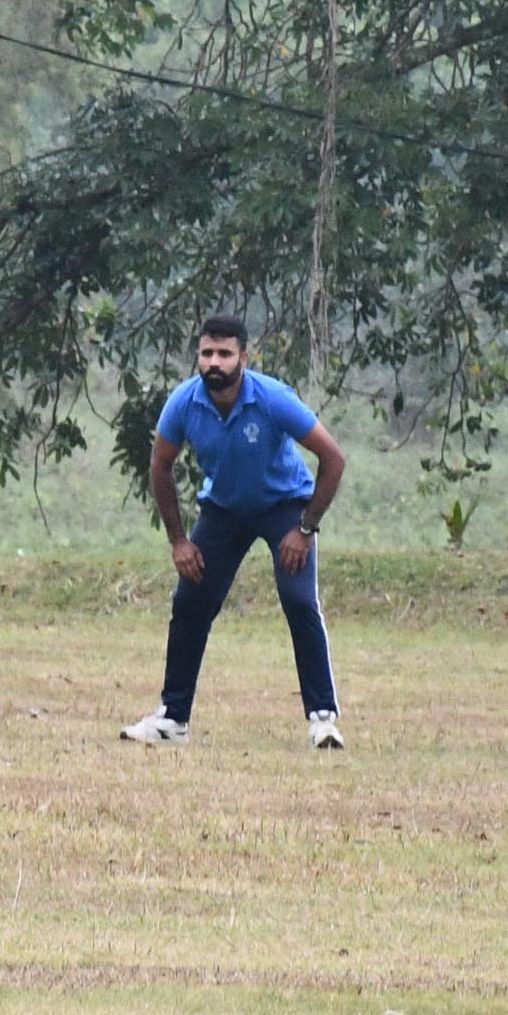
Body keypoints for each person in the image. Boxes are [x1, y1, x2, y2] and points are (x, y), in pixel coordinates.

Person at [120, 315, 349, 749]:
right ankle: (172, 720)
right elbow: (160, 465)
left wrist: (305, 528)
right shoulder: (184, 402)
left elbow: (333, 458)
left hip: (284, 506)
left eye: (224, 354)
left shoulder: (273, 398)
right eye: (206, 353)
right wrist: (179, 541)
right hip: (224, 510)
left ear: (243, 358)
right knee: (190, 603)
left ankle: (323, 720)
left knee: (299, 601)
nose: (214, 362)